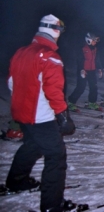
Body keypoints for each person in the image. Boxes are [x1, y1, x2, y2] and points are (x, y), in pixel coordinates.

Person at [6, 14, 76, 212]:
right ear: (54, 31)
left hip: (23, 113)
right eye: (59, 31)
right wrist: (63, 115)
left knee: (33, 146)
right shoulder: (50, 56)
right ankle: (52, 205)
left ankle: (17, 181)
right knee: (56, 155)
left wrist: (24, 103)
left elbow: (11, 83)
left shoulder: (21, 51)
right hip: (40, 116)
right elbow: (53, 90)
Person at [68, 32, 103, 110]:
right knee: (81, 87)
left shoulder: (95, 49)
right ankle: (71, 102)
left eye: (96, 41)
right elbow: (79, 60)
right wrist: (81, 69)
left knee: (94, 87)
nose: (95, 42)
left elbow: (97, 60)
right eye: (94, 40)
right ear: (89, 40)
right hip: (84, 70)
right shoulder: (83, 48)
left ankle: (92, 102)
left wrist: (100, 69)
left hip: (92, 70)